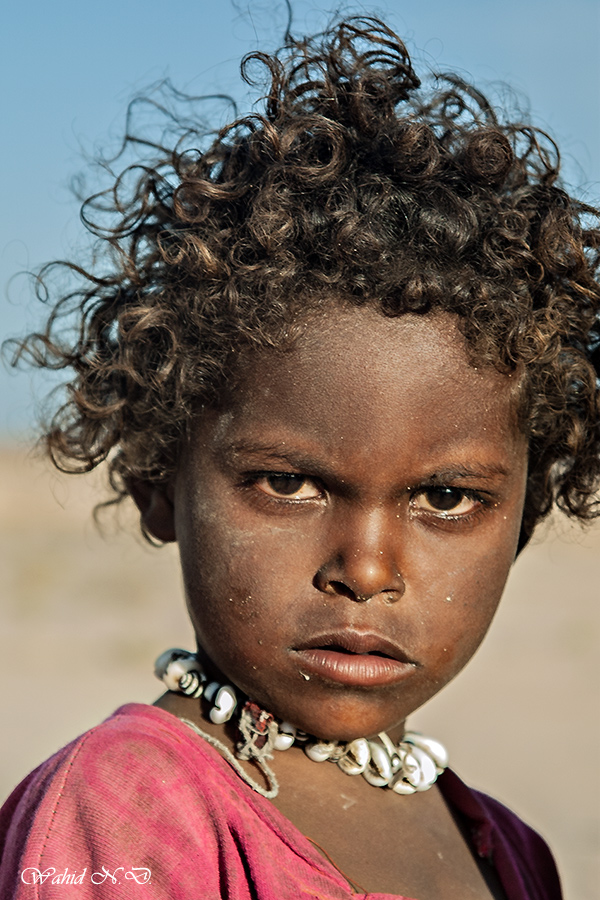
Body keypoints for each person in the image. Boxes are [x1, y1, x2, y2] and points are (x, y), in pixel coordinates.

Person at [0, 15, 598, 900]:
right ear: (159, 480)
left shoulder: (510, 855)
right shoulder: (125, 810)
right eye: (288, 483)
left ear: (525, 518)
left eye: (444, 496)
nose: (365, 569)